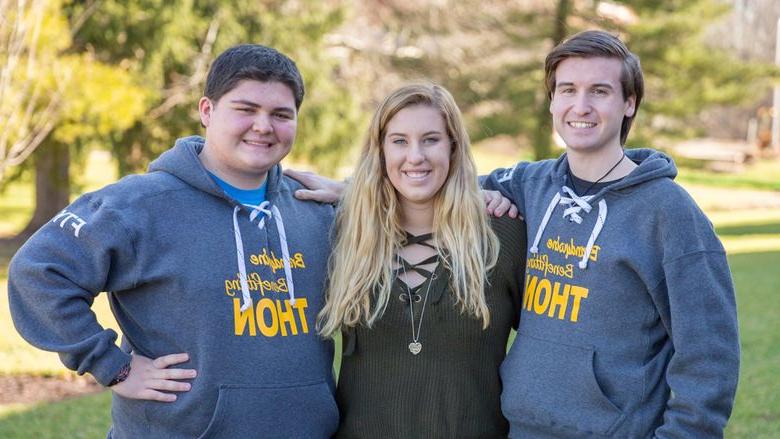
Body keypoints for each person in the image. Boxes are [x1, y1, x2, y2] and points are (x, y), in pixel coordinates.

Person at [8, 44, 339, 438]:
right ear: (207, 111)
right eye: (245, 109)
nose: (263, 126)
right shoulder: (138, 206)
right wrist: (113, 366)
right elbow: (38, 272)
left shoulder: (315, 209)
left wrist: (354, 195)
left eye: (281, 114)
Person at [484, 30, 740, 437]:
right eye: (567, 89)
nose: (580, 106)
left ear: (629, 103)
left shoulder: (668, 212)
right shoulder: (531, 184)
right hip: (522, 426)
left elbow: (710, 355)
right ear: (552, 101)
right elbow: (430, 185)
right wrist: (345, 190)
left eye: (599, 91)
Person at [316, 83, 526, 437]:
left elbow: (551, 339)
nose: (415, 156)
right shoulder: (344, 233)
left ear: (453, 147)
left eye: (431, 139)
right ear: (380, 151)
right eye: (399, 141)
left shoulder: (501, 236)